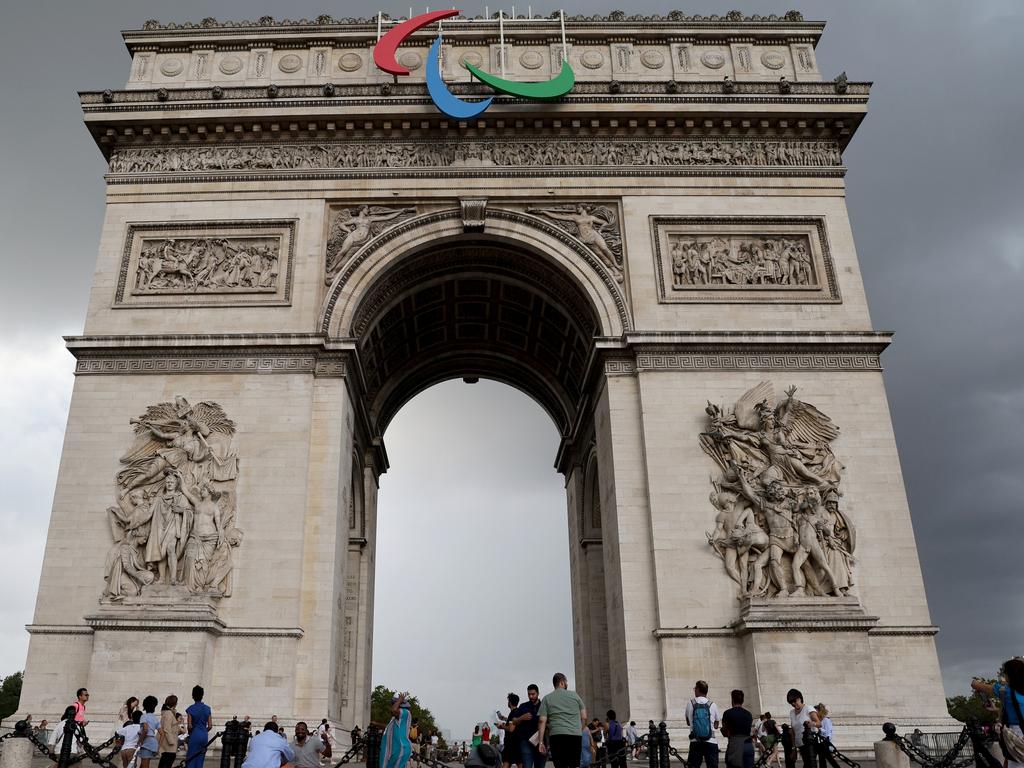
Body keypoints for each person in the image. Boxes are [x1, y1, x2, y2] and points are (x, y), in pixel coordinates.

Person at [972, 659, 1024, 768]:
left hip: (1016, 735)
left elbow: (975, 685)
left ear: (1008, 675)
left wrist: (977, 680)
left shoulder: (1005, 691)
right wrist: (997, 710)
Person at [537, 673, 587, 768]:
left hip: (557, 736)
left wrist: (541, 742)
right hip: (574, 736)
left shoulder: (547, 698)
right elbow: (584, 716)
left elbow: (542, 721)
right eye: (566, 682)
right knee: (574, 765)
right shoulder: (575, 696)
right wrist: (579, 730)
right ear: (562, 682)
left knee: (560, 765)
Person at [685, 681, 721, 768]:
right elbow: (716, 724)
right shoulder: (713, 705)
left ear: (698, 689)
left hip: (695, 741)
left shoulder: (690, 703)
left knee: (693, 766)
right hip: (710, 741)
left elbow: (688, 722)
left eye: (695, 688)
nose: (694, 690)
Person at [510, 685, 545, 768]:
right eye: (529, 694)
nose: (531, 696)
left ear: (538, 693)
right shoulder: (523, 706)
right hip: (526, 742)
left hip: (541, 741)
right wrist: (522, 718)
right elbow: (514, 721)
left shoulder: (544, 705)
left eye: (533, 694)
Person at [786, 690, 819, 768]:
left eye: (794, 701)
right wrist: (794, 748)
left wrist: (812, 724)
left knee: (809, 765)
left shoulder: (808, 708)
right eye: (791, 703)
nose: (793, 704)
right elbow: (793, 731)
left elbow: (819, 723)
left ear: (800, 698)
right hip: (800, 745)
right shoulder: (792, 712)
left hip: (811, 744)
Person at [721, 691, 754, 768]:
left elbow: (725, 731)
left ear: (732, 700)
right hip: (748, 745)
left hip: (735, 745)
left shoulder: (727, 713)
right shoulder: (748, 714)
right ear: (743, 700)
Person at [380, 692, 413, 768]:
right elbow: (389, 727)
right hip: (396, 749)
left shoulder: (405, 712)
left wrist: (399, 700)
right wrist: (376, 724)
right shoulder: (397, 717)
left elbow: (393, 711)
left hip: (400, 748)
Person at [185, 686, 212, 768]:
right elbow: (210, 726)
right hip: (204, 735)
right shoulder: (207, 708)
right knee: (200, 758)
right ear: (202, 695)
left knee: (191, 758)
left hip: (195, 734)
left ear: (193, 696)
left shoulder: (191, 708)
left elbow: (189, 726)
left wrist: (190, 734)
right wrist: (204, 731)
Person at [498, 693, 521, 768]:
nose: (507, 703)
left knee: (506, 763)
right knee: (519, 763)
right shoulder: (517, 712)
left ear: (510, 702)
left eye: (508, 701)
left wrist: (502, 726)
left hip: (511, 744)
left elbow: (511, 729)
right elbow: (512, 722)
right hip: (516, 743)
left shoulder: (513, 713)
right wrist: (504, 718)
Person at [138, 696, 161, 768]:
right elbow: (162, 734)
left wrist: (140, 741)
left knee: (145, 765)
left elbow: (145, 729)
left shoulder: (144, 716)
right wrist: (158, 747)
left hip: (146, 743)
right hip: (154, 743)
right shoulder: (155, 718)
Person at [158, 696, 180, 768]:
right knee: (167, 762)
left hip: (168, 744)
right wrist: (172, 742)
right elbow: (167, 729)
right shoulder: (168, 714)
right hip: (169, 744)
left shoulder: (169, 713)